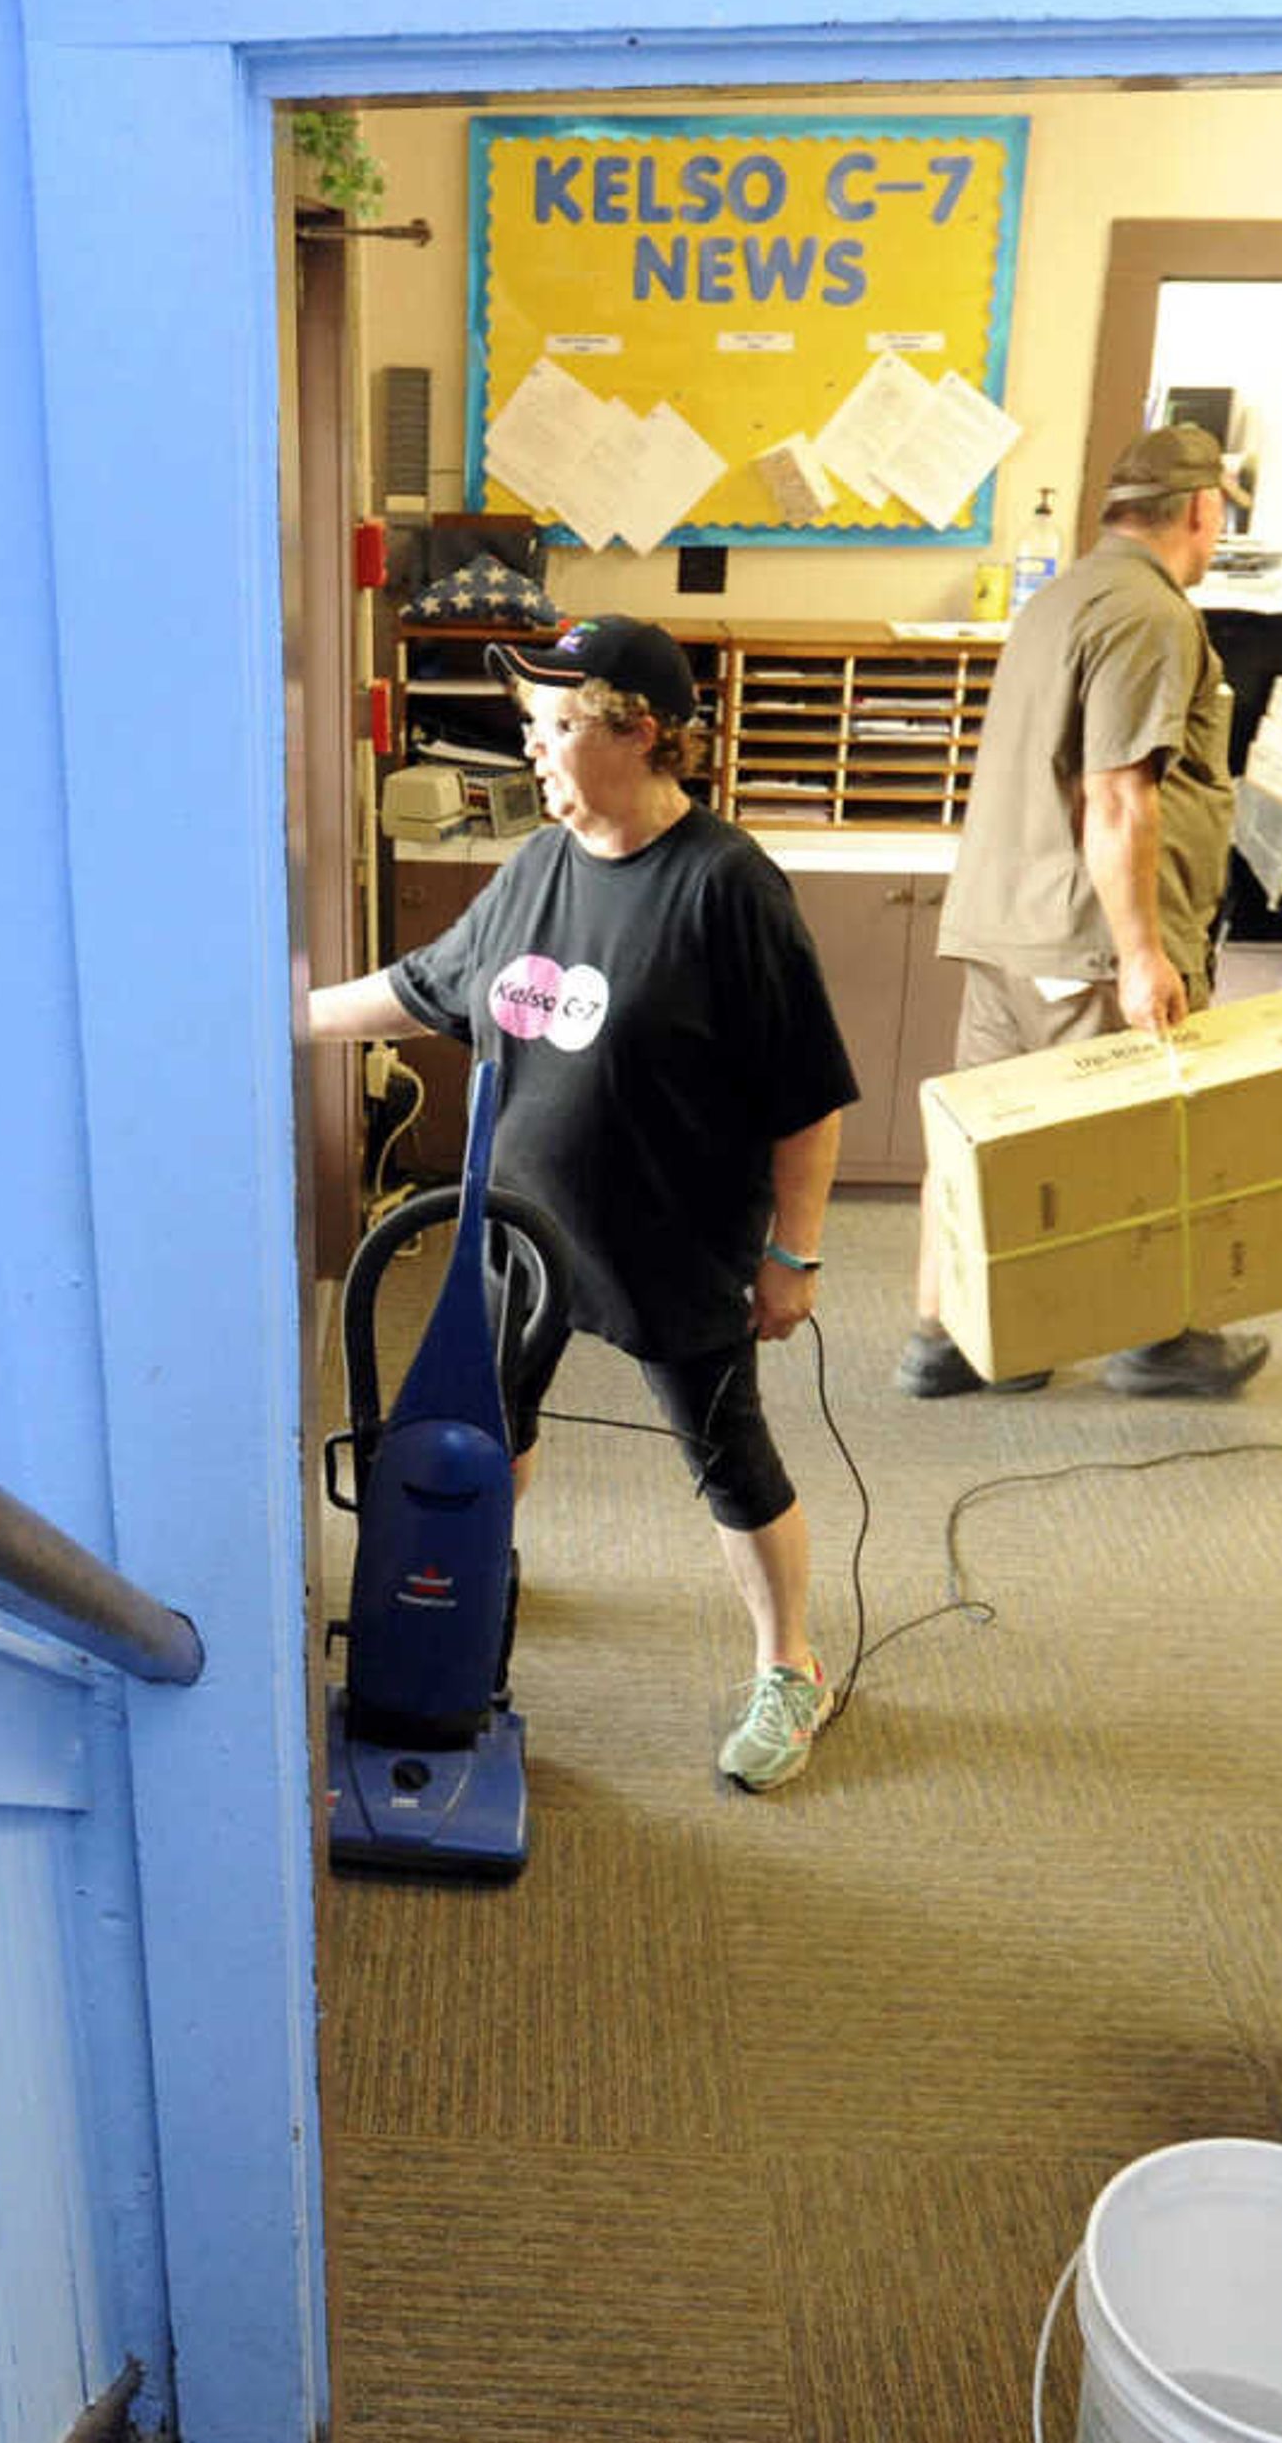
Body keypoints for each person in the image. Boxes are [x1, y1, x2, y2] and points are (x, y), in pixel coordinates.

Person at [304, 616, 861, 1793]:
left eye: (558, 730)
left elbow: (808, 1099)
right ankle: (480, 1564)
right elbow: (426, 990)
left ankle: (790, 1667)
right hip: (518, 1235)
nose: (537, 755)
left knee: (728, 1457)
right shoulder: (537, 868)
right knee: (489, 1421)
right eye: (531, 730)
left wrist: (792, 1253)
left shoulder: (726, 888)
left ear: (642, 735)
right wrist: (289, 1013)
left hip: (673, 1242)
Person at [898, 422, 1272, 1402]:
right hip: (1085, 939)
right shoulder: (1149, 613)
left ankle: (948, 1339)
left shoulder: (1061, 594)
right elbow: (1116, 795)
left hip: (1007, 923)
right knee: (1130, 1142)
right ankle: (1156, 1341)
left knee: (979, 1137)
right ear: (1200, 510)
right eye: (1219, 513)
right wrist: (1144, 954)